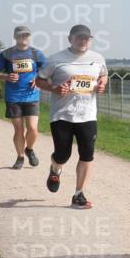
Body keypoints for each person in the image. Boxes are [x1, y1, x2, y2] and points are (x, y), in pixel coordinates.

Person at [35, 25, 108, 208]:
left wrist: (101, 84)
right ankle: (55, 168)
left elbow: (104, 75)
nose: (83, 41)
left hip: (88, 115)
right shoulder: (56, 59)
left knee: (87, 155)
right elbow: (39, 80)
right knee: (62, 154)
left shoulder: (97, 59)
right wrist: (54, 88)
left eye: (87, 38)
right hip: (62, 115)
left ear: (91, 39)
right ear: (70, 39)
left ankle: (78, 194)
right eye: (79, 37)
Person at [0, 26, 46, 169]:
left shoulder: (36, 54)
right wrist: (6, 76)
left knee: (33, 129)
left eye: (26, 35)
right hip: (13, 97)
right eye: (20, 35)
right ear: (15, 37)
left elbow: (46, 71)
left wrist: (37, 79)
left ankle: (29, 149)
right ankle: (20, 157)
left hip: (32, 96)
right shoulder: (6, 54)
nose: (24, 37)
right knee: (18, 129)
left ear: (29, 37)